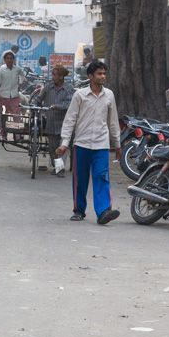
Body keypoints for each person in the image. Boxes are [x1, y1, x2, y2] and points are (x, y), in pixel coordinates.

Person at [56, 59, 121, 225]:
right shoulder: (80, 95)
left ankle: (104, 211)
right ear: (91, 76)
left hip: (101, 144)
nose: (103, 76)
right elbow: (70, 119)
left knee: (101, 176)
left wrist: (118, 143)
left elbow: (113, 121)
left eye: (104, 73)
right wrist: (64, 143)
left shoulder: (109, 95)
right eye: (99, 73)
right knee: (80, 179)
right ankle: (79, 210)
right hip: (82, 144)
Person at [31, 64, 73, 175]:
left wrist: (57, 106)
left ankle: (60, 169)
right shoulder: (48, 87)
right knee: (52, 148)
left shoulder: (69, 88)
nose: (52, 76)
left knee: (63, 147)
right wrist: (34, 106)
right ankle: (57, 167)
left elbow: (70, 104)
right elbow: (38, 99)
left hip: (65, 123)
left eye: (54, 74)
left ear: (61, 76)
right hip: (50, 122)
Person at [0, 50, 24, 119]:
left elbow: (22, 76)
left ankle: (17, 129)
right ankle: (2, 129)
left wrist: (20, 83)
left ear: (13, 60)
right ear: (5, 59)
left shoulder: (17, 69)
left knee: (16, 115)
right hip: (3, 96)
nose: (9, 60)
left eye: (11, 58)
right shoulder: (1, 69)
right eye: (7, 58)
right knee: (4, 116)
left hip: (14, 96)